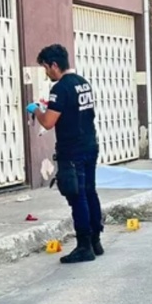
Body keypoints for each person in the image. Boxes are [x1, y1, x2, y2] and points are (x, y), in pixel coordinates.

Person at [28, 44, 102, 264]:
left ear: (54, 65)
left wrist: (37, 110)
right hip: (90, 145)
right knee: (90, 192)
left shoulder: (60, 88)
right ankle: (96, 241)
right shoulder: (82, 83)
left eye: (46, 68)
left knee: (76, 196)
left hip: (72, 151)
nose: (46, 73)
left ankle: (83, 246)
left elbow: (49, 122)